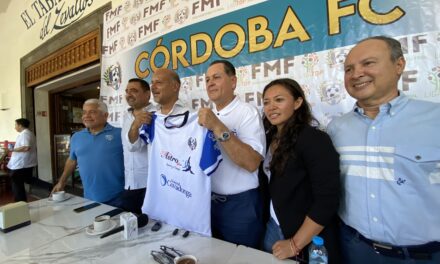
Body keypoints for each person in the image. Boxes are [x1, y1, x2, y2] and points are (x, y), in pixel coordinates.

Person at [327, 36, 440, 263]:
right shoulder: (336, 127)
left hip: (425, 256)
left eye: (368, 63)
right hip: (355, 248)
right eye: (349, 68)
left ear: (399, 65)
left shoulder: (435, 119)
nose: (356, 73)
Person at [260, 78, 341, 263]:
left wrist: (295, 244)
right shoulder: (267, 139)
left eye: (279, 100)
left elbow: (327, 200)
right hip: (274, 227)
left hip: (306, 237)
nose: (271, 107)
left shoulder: (315, 140)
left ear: (297, 103)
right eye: (266, 102)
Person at [198, 60, 266, 248]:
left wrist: (217, 126)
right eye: (207, 79)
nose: (210, 83)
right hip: (208, 203)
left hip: (240, 206)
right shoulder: (205, 116)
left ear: (233, 81)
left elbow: (252, 162)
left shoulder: (247, 112)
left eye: (217, 77)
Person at [52, 99, 124, 207]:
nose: (86, 116)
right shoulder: (77, 137)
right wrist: (61, 182)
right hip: (88, 197)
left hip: (118, 197)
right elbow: (72, 160)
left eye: (92, 112)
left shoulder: (120, 134)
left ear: (105, 115)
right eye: (84, 112)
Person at [120, 78, 154, 214]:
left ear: (147, 94)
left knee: (153, 229)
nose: (129, 94)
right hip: (129, 183)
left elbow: (134, 146)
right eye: (127, 91)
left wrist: (135, 126)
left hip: (150, 184)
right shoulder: (126, 116)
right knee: (131, 228)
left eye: (134, 91)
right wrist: (134, 124)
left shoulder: (156, 114)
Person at [7, 118, 37, 202]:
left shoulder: (25, 134)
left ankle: (20, 203)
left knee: (17, 184)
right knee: (25, 181)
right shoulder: (26, 133)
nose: (15, 127)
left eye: (15, 125)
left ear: (20, 125)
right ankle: (21, 203)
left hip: (21, 164)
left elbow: (26, 147)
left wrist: (11, 150)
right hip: (23, 163)